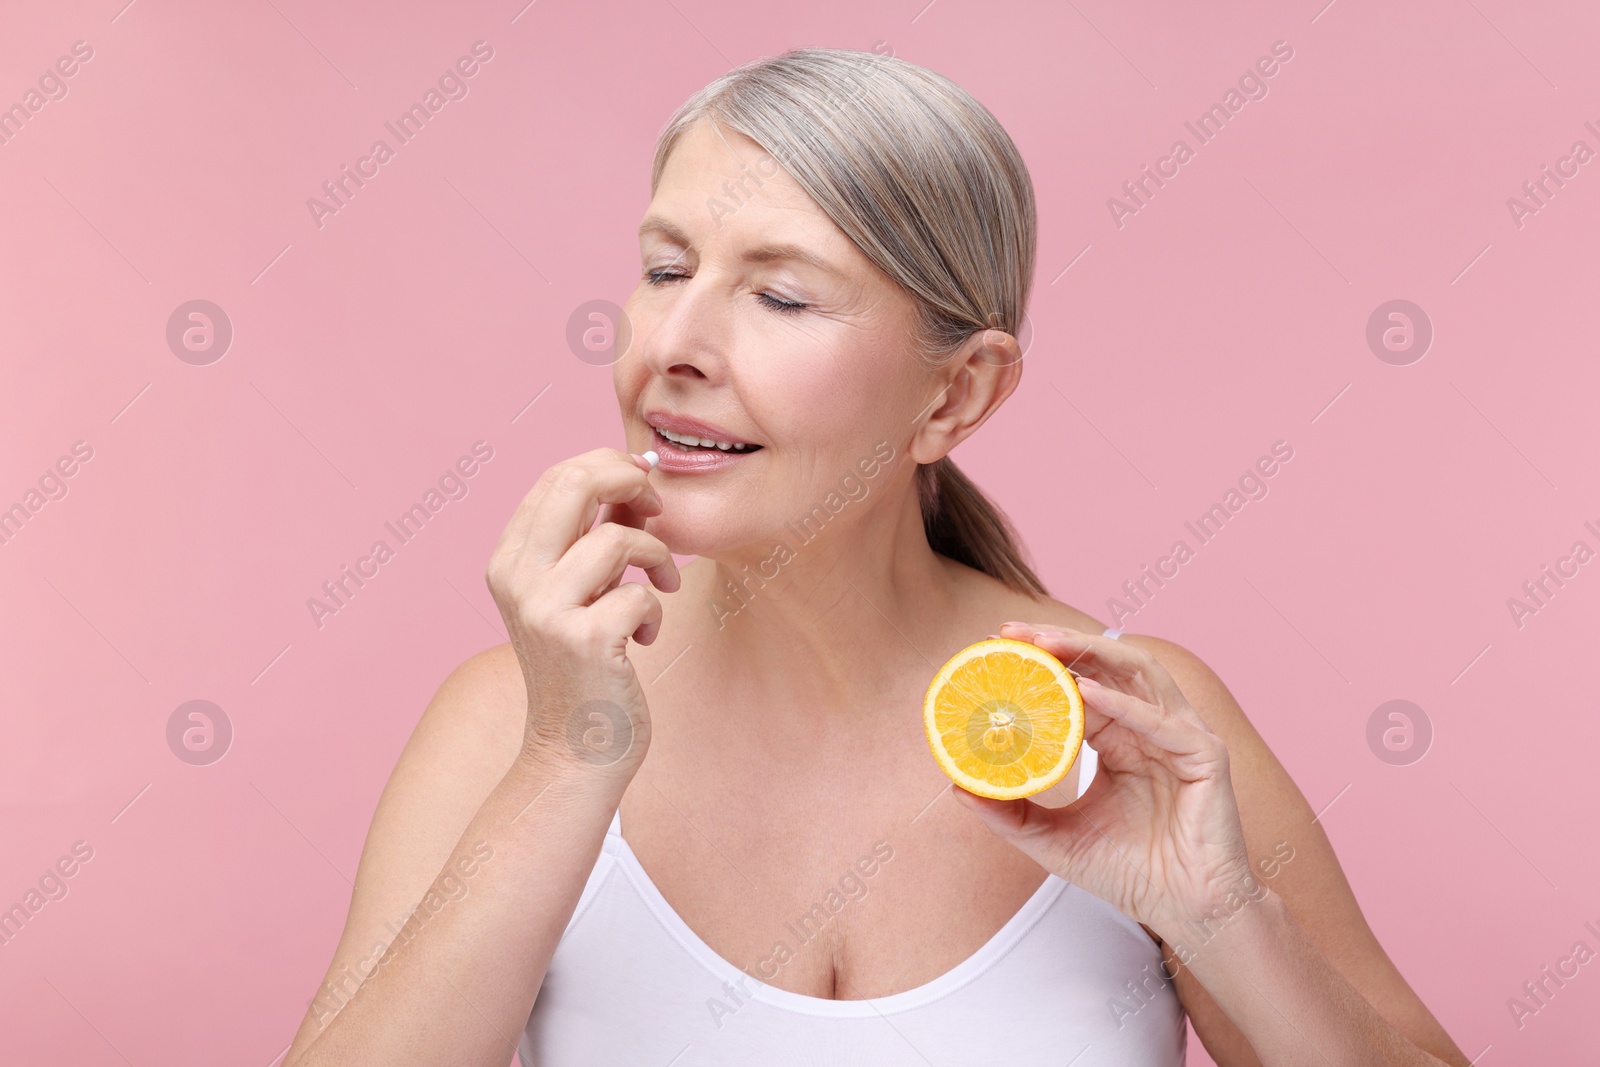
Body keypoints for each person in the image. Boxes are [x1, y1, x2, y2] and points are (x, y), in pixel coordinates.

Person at [284, 47, 1470, 1066]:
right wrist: (563, 761)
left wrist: (1220, 916)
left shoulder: (1121, 731)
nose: (673, 345)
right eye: (663, 270)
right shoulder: (511, 726)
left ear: (956, 393)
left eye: (782, 297)